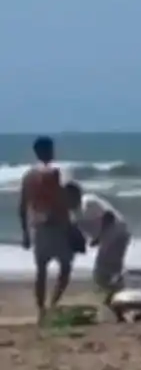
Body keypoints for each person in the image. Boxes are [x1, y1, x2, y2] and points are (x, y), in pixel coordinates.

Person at [18, 136, 74, 321]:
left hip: (39, 227)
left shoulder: (28, 176)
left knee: (41, 271)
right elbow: (65, 200)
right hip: (58, 225)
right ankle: (53, 303)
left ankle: (41, 310)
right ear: (50, 150)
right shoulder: (57, 172)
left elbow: (22, 205)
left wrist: (25, 233)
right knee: (65, 267)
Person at [65, 182, 132, 312]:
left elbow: (109, 217)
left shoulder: (88, 202)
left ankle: (119, 298)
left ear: (75, 195)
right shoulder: (74, 212)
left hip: (116, 232)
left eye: (66, 196)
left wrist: (98, 237)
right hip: (109, 238)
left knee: (101, 273)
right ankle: (119, 299)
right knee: (108, 272)